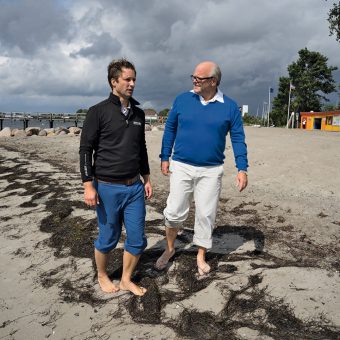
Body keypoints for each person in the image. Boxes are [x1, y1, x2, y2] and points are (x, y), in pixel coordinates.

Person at [155, 61, 248, 275]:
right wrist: (164, 156)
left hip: (211, 170)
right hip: (181, 166)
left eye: (200, 77)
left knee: (206, 214)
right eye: (193, 77)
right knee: (174, 211)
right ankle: (169, 249)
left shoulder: (230, 106)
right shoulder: (182, 100)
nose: (195, 80)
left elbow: (238, 139)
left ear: (213, 81)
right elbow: (170, 129)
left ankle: (200, 255)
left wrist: (242, 168)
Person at [79, 58, 152, 296]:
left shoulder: (138, 114)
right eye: (127, 79)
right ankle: (101, 274)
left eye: (134, 80)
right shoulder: (97, 112)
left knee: (138, 238)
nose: (132, 84)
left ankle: (126, 279)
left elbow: (141, 149)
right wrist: (88, 185)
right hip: (107, 187)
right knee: (108, 237)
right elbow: (85, 150)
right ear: (114, 81)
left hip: (135, 188)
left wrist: (147, 177)